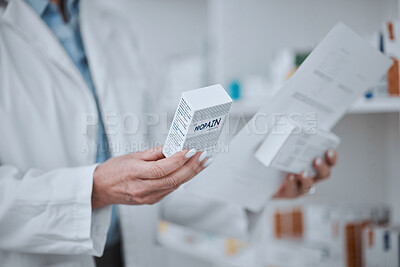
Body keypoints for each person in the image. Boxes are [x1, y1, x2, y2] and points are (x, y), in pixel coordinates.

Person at [0, 0, 337, 266]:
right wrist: (93, 190)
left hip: (130, 253)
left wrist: (258, 187)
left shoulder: (111, 25)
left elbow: (160, 167)